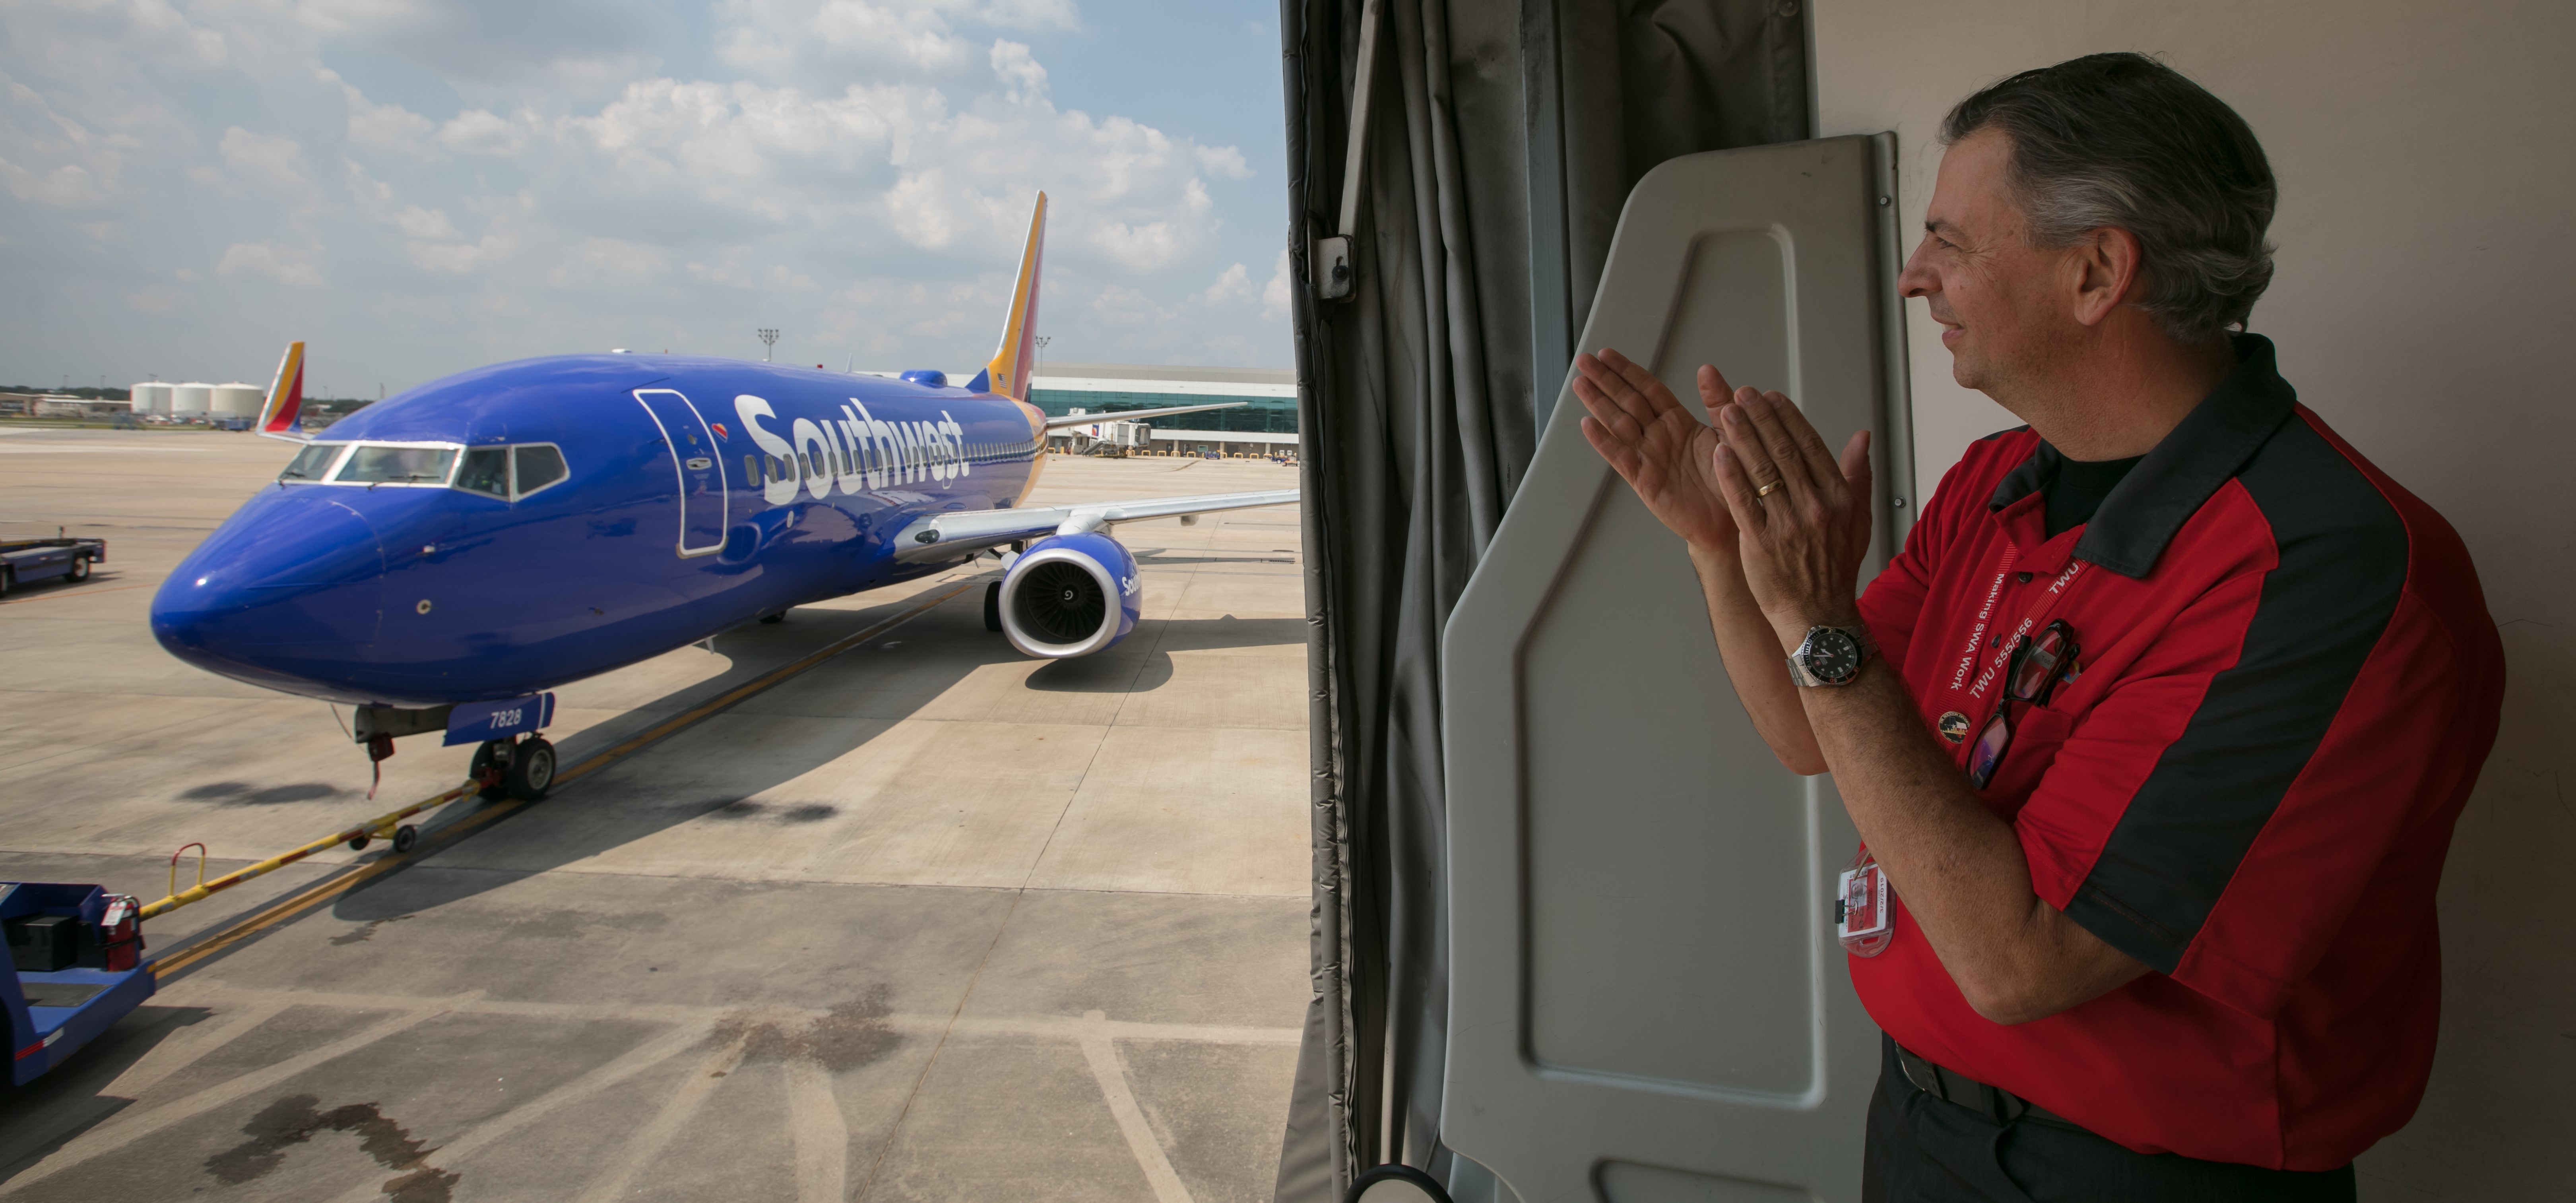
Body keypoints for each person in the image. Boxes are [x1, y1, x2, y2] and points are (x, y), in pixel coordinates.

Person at [1573, 53, 2502, 1203]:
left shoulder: (2325, 567)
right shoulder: (1998, 480)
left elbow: (2019, 958)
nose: (1915, 278)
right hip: (1921, 1122)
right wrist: (1728, 553)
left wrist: (1820, 614)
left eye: (1951, 244)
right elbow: (1818, 731)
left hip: (2136, 1177)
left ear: (2099, 271)